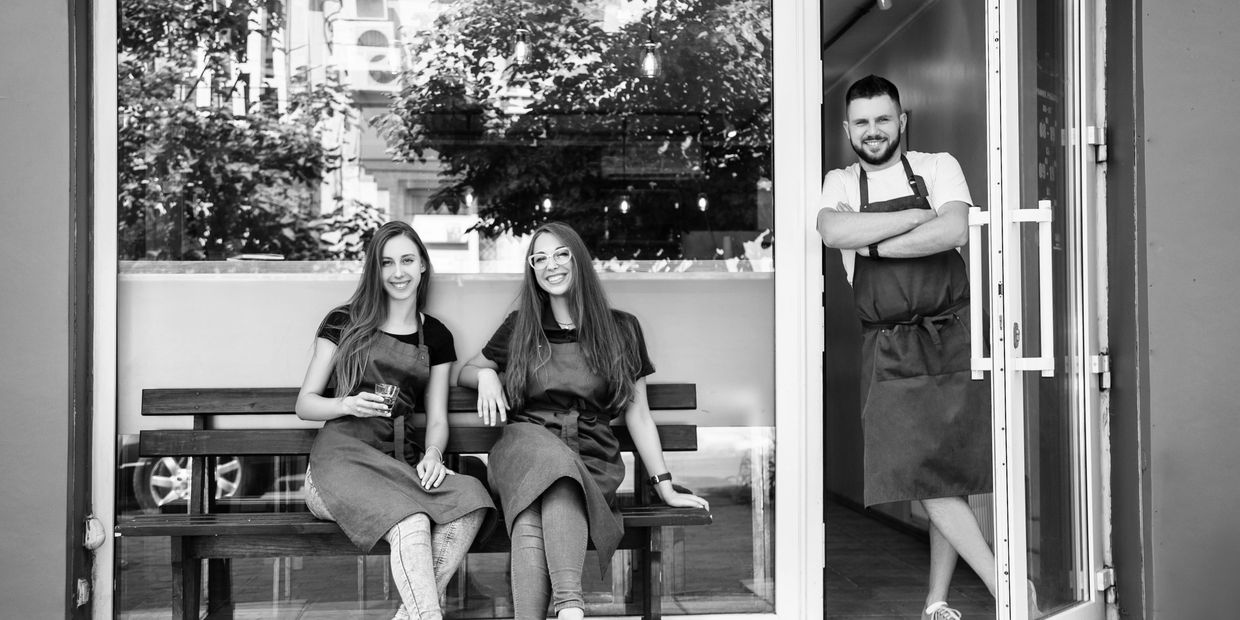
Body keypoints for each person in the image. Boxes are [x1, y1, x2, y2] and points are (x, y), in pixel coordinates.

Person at [815, 75, 1035, 620]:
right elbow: (831, 232)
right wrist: (915, 217)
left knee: (948, 472)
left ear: (902, 120)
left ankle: (936, 600)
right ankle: (1011, 594)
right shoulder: (838, 181)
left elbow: (953, 231)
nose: (873, 131)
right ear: (847, 129)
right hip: (888, 348)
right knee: (922, 472)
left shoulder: (938, 166)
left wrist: (877, 244)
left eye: (883, 119)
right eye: (862, 122)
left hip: (952, 334)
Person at [458, 222, 709, 620]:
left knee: (535, 511)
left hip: (590, 453)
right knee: (553, 470)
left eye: (561, 254)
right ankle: (571, 608)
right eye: (539, 258)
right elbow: (467, 372)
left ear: (579, 260)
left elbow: (638, 412)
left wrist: (664, 486)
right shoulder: (520, 326)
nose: (550, 265)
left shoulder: (622, 329)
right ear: (533, 272)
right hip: (525, 445)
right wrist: (487, 374)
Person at [295, 221, 494, 620]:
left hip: (397, 464)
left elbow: (437, 418)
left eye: (407, 260)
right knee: (412, 518)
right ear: (376, 270)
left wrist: (435, 454)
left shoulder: (435, 336)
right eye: (387, 263)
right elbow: (305, 404)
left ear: (423, 266)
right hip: (337, 466)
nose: (398, 272)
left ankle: (413, 615)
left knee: (471, 498)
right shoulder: (343, 321)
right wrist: (347, 405)